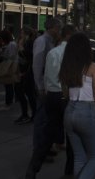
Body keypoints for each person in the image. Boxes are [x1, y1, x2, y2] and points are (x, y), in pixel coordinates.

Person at [26, 22, 73, 179]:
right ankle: (68, 171)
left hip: (52, 95)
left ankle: (33, 168)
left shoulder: (52, 52)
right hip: (66, 96)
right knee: (71, 134)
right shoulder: (72, 53)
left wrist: (43, 88)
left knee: (48, 132)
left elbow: (46, 74)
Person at [59, 32, 95, 179]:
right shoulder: (92, 67)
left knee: (79, 156)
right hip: (87, 110)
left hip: (70, 110)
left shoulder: (67, 67)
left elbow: (64, 92)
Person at [14, 26, 37, 124]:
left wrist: (22, 48)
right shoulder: (23, 42)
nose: (21, 35)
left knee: (28, 93)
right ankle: (26, 114)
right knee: (22, 92)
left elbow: (29, 56)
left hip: (27, 72)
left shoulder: (30, 43)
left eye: (22, 33)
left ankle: (30, 114)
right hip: (22, 70)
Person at [0, 29, 17, 111]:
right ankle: (10, 101)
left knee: (9, 85)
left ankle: (8, 103)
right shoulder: (8, 44)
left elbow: (11, 56)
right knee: (9, 85)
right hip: (9, 66)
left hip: (10, 67)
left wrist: (2, 54)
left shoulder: (11, 45)